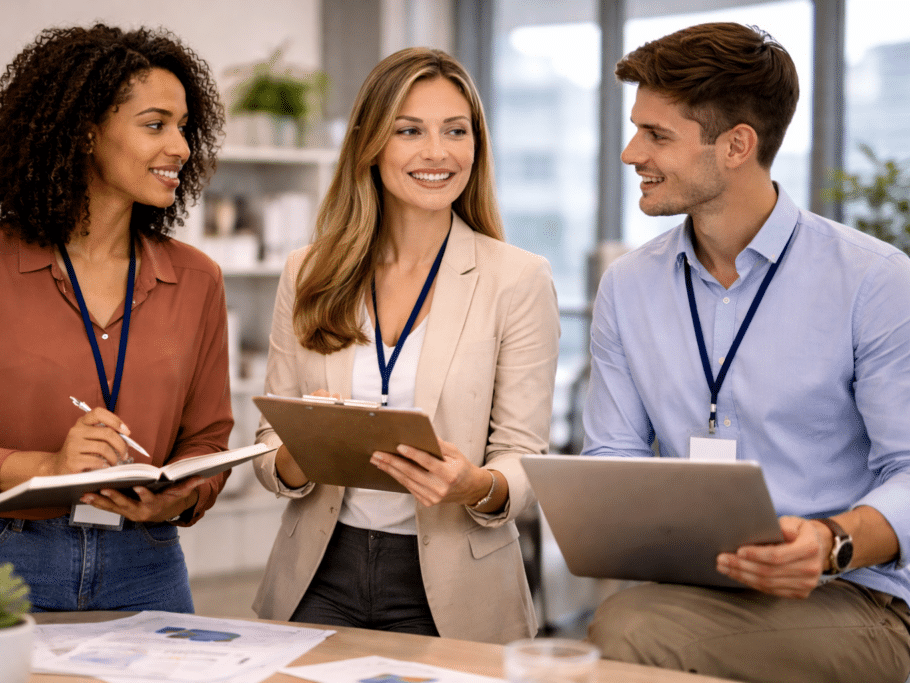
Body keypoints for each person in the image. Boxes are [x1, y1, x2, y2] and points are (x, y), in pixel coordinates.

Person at [582, 21, 910, 682]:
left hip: (854, 594)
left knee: (625, 631)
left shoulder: (874, 279)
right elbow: (611, 456)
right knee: (624, 624)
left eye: (657, 135)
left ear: (737, 145)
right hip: (693, 591)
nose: (629, 152)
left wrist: (827, 541)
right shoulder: (628, 286)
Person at [0, 24, 231, 613]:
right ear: (84, 132)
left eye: (184, 128)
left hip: (146, 561)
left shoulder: (197, 279)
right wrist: (47, 467)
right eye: (155, 125)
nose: (180, 146)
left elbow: (207, 442)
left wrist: (172, 498)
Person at [250, 47, 560, 644]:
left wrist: (477, 484)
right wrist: (297, 453)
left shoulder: (517, 279)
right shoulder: (310, 270)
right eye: (409, 131)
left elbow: (524, 455)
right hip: (319, 571)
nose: (437, 152)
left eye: (455, 131)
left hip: (453, 581)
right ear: (371, 144)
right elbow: (268, 444)